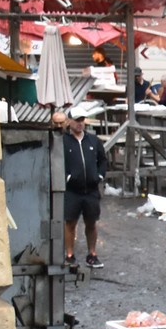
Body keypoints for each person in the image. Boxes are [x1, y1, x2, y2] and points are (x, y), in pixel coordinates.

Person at [61, 110, 107, 268]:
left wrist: (99, 176)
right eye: (76, 120)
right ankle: (69, 254)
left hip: (91, 189)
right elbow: (58, 161)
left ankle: (92, 254)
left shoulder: (93, 140)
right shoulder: (64, 141)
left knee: (91, 222)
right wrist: (67, 177)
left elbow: (103, 160)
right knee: (70, 222)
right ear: (69, 122)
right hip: (72, 189)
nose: (79, 123)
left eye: (81, 120)